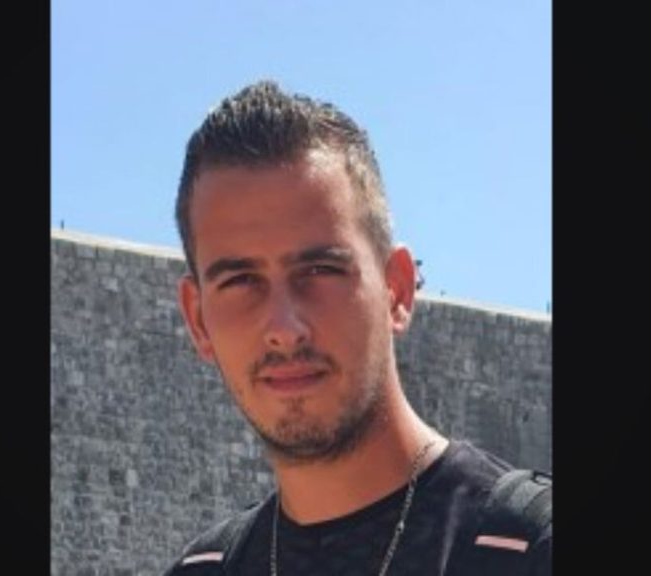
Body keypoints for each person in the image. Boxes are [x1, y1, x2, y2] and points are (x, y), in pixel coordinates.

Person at [166, 80, 551, 575]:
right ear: (198, 319)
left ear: (397, 290)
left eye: (319, 270)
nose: (284, 327)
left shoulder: (530, 548)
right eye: (241, 281)